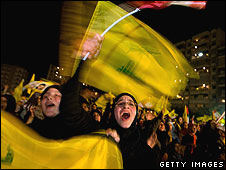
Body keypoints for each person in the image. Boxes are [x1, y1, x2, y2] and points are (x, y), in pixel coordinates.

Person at [28, 33, 107, 139]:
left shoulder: (78, 128)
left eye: (56, 95)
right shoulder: (33, 130)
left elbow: (70, 97)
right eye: (45, 96)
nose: (49, 97)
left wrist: (85, 59)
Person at [105, 92, 161, 169]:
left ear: (136, 113)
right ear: (113, 111)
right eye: (121, 103)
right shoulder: (101, 133)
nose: (126, 106)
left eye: (131, 104)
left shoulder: (145, 149)